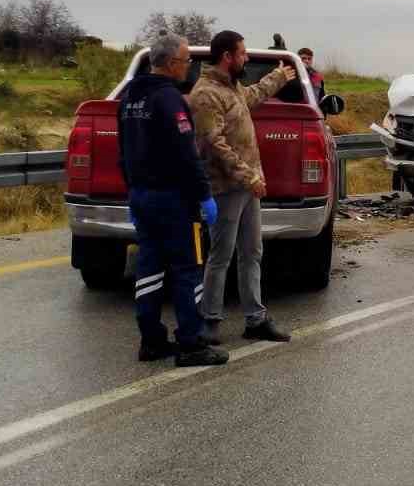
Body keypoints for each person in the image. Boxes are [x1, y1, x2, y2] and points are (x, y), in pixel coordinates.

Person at [118, 33, 226, 367]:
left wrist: (132, 192)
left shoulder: (129, 97)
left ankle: (150, 340)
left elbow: (123, 150)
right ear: (170, 63)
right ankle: (191, 344)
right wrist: (204, 195)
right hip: (174, 200)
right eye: (185, 61)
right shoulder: (170, 99)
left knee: (149, 268)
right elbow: (187, 155)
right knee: (187, 270)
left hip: (141, 196)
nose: (188, 67)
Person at [191, 30, 299, 342]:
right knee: (221, 254)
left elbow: (250, 97)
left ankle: (255, 319)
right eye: (242, 53)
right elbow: (214, 144)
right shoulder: (206, 94)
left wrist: (277, 78)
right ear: (227, 57)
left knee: (252, 251)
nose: (246, 58)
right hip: (227, 187)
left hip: (249, 186)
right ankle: (209, 320)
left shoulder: (231, 87)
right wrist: (247, 176)